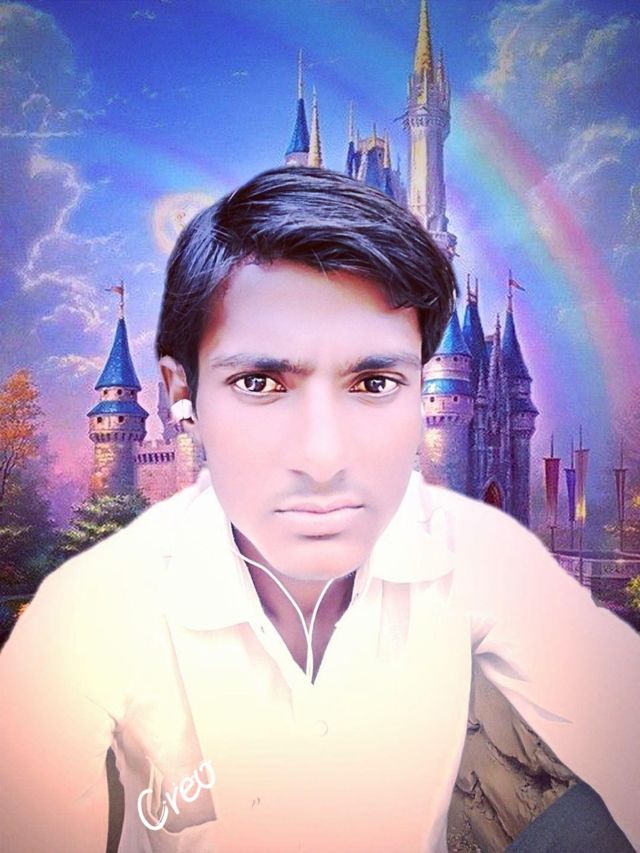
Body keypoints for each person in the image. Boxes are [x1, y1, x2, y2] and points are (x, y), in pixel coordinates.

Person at [0, 166, 638, 853]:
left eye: (373, 382)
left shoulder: (476, 554)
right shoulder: (87, 621)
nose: (323, 448)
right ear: (181, 395)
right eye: (260, 382)